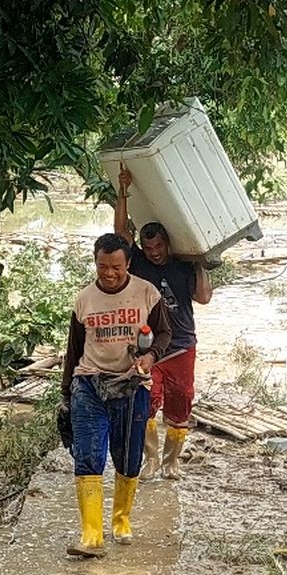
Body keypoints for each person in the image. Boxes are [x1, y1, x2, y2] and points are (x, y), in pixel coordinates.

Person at [60, 233, 172, 558]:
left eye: (116, 268)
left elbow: (165, 333)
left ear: (128, 264)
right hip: (89, 383)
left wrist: (150, 358)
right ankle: (91, 536)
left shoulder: (147, 294)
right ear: (95, 263)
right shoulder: (84, 300)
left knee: (128, 456)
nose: (109, 274)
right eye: (102, 267)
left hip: (131, 384)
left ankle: (121, 521)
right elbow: (73, 350)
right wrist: (66, 393)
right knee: (88, 454)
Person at [114, 166, 213, 480]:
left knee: (180, 404)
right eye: (149, 248)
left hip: (182, 346)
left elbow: (204, 297)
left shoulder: (184, 265)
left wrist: (200, 259)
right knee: (145, 403)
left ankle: (172, 461)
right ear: (142, 249)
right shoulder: (139, 263)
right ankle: (151, 460)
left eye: (159, 247)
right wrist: (123, 191)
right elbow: (120, 234)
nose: (155, 253)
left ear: (169, 244)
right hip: (148, 347)